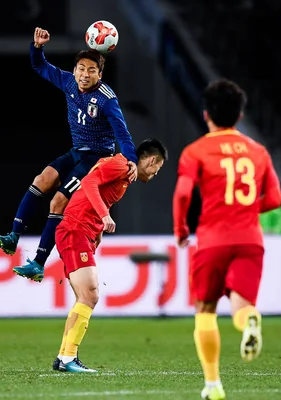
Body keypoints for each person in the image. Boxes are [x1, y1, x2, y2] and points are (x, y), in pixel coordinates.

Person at [0, 27, 138, 283]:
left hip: (96, 160)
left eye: (91, 70)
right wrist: (37, 47)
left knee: (57, 203)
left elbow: (122, 135)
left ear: (100, 76)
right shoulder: (69, 82)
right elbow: (40, 67)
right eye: (81, 68)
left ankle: (38, 262)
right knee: (41, 179)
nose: (85, 74)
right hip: (76, 152)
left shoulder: (106, 99)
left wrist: (131, 160)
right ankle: (13, 236)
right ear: (75, 70)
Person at [172, 79, 281, 400]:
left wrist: (181, 229)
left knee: (205, 309)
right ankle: (250, 322)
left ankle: (213, 385)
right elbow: (275, 198)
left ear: (206, 114)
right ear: (240, 114)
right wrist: (245, 210)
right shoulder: (258, 151)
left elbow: (182, 194)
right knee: (243, 304)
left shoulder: (196, 151)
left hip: (212, 238)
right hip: (250, 239)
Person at [51, 138, 168, 373]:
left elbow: (98, 191)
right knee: (90, 294)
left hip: (81, 230)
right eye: (158, 168)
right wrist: (104, 216)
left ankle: (65, 355)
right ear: (152, 160)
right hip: (75, 229)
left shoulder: (125, 173)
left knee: (84, 296)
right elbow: (89, 182)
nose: (156, 174)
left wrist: (98, 229)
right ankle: (67, 358)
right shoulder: (122, 165)